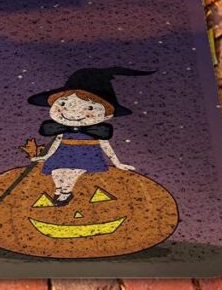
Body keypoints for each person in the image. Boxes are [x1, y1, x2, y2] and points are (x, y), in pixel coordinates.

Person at [27, 67, 154, 206]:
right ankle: (58, 190)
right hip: (63, 152)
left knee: (73, 173)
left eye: (89, 107)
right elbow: (56, 142)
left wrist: (117, 163)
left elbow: (106, 145)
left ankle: (65, 193)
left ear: (107, 114)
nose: (72, 113)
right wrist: (45, 156)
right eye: (64, 103)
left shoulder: (97, 130)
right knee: (57, 172)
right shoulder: (61, 130)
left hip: (86, 153)